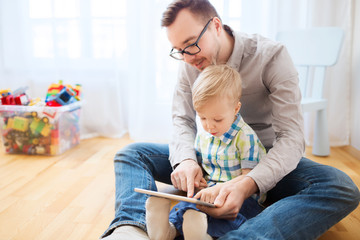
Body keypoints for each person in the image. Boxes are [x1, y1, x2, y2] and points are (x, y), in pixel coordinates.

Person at [101, 0, 360, 239]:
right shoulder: (190, 62)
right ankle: (131, 229)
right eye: (180, 51)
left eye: (191, 44)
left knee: (339, 186)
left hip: (263, 158)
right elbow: (182, 120)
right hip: (208, 156)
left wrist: (247, 184)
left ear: (215, 26)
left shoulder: (271, 56)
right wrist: (186, 160)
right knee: (131, 154)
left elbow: (291, 138)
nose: (188, 58)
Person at [145, 64, 266, 240]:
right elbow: (205, 168)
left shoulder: (246, 137)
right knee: (188, 208)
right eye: (202, 118)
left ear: (236, 109)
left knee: (226, 217)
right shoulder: (205, 135)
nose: (209, 125)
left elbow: (250, 178)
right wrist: (198, 180)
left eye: (217, 119)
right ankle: (169, 230)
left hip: (239, 195)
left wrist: (219, 189)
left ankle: (202, 234)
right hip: (209, 193)